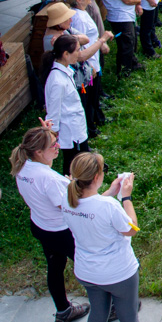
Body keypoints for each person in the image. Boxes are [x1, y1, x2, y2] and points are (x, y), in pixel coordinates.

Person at [11, 124, 91, 322]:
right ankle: (110, 307)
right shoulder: (49, 178)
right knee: (90, 266)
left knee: (55, 267)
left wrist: (45, 132)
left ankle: (63, 310)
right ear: (39, 152)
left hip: (41, 226)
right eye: (53, 145)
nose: (58, 147)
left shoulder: (23, 166)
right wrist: (74, 186)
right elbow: (68, 207)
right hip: (61, 232)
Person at [61, 153, 139, 322]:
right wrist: (126, 197)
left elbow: (91, 208)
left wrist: (109, 192)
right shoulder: (109, 206)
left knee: (98, 313)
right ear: (97, 176)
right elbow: (131, 229)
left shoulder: (67, 199)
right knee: (128, 316)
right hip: (118, 273)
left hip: (87, 272)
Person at [66, 0, 112, 137]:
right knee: (89, 97)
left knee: (94, 95)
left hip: (93, 61)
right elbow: (80, 47)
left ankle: (98, 119)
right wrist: (89, 65)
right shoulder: (78, 18)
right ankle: (91, 128)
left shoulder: (83, 13)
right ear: (79, 0)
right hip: (89, 65)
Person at [43, 35, 91, 177]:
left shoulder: (65, 72)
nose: (79, 53)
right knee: (73, 168)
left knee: (83, 166)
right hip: (71, 135)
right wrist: (52, 138)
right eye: (77, 50)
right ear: (65, 54)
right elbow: (53, 113)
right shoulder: (57, 81)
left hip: (77, 130)